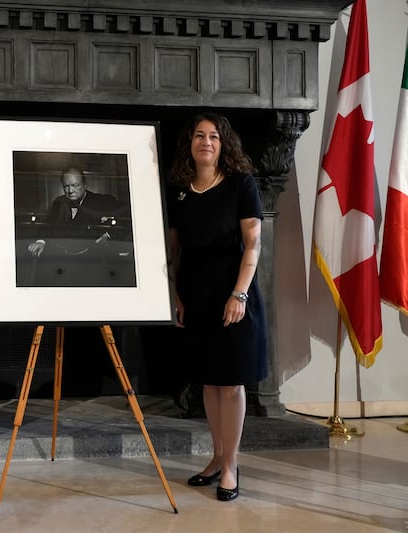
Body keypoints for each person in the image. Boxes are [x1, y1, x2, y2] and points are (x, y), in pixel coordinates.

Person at [167, 112, 267, 502]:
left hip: (233, 293)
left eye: (213, 136)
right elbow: (173, 252)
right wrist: (174, 295)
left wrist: (239, 294)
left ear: (224, 144)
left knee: (231, 382)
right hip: (195, 295)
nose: (205, 141)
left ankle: (230, 466)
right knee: (209, 382)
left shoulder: (242, 184)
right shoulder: (179, 190)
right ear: (189, 144)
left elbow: (254, 245)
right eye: (198, 135)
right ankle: (216, 457)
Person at [22, 168, 134, 287]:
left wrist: (109, 234)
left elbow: (129, 215)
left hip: (94, 265)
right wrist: (41, 242)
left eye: (75, 185)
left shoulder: (102, 200)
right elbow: (48, 226)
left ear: (84, 184)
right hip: (64, 265)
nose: (70, 190)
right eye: (66, 186)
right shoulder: (59, 202)